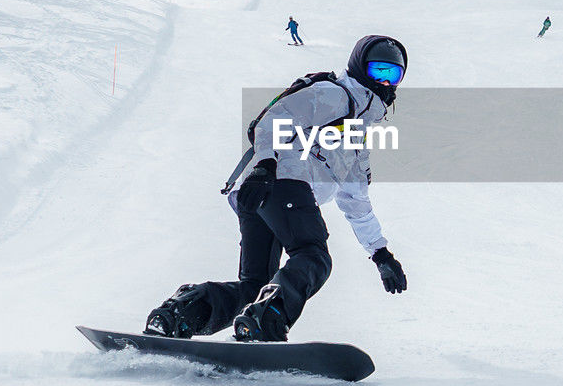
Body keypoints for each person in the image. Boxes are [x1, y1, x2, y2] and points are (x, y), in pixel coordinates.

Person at [145, 35, 409, 342]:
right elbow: (273, 119)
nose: (385, 82)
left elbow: (356, 200)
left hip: (261, 194)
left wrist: (381, 254)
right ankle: (266, 322)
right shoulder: (334, 96)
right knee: (313, 257)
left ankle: (179, 316)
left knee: (254, 288)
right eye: (378, 71)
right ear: (359, 67)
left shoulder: (358, 136)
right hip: (278, 182)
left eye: (393, 75)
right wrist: (265, 165)